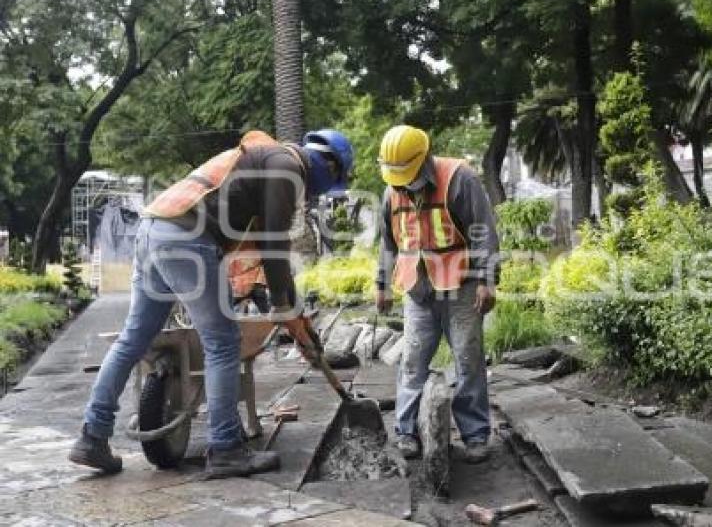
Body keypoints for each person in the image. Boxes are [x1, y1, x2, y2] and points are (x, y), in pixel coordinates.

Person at [69, 129, 353, 478]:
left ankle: (92, 436)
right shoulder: (287, 167)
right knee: (222, 342)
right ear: (329, 168)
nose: (312, 196)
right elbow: (274, 248)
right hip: (187, 240)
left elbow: (258, 255)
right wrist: (286, 307)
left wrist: (298, 324)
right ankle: (226, 450)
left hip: (153, 230)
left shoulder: (264, 162)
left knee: (133, 339)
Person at [375, 125, 499, 464]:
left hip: (461, 286)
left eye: (405, 174)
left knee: (468, 360)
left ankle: (475, 435)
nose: (400, 181)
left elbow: (483, 232)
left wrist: (487, 281)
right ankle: (406, 432)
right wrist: (382, 284)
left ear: (424, 159)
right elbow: (388, 242)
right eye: (394, 175)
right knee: (412, 361)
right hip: (417, 289)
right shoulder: (392, 191)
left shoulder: (460, 178)